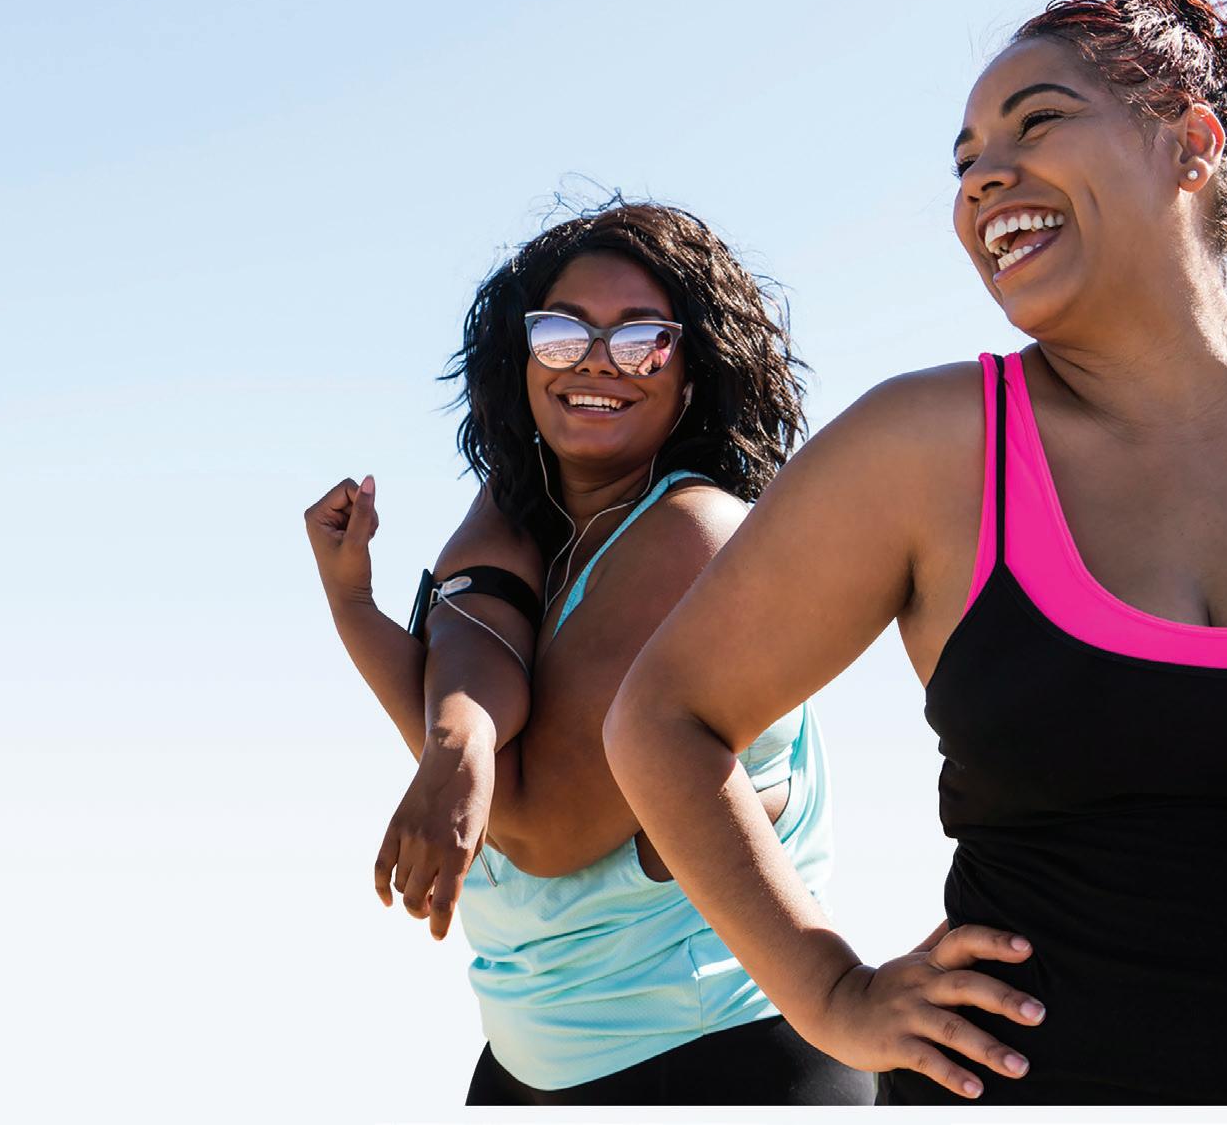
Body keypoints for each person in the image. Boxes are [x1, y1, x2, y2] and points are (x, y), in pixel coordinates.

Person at [602, 0, 1227, 1105]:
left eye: (1037, 121)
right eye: (965, 159)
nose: (983, 177)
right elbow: (660, 718)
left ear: (1189, 144)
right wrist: (829, 993)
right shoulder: (922, 449)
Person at [304, 201, 873, 1106]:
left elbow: (538, 828)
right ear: (523, 358)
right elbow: (470, 668)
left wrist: (446, 732)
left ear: (693, 370)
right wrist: (387, 648)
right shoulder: (524, 515)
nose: (597, 360)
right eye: (562, 333)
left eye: (642, 338)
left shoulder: (694, 536)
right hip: (529, 1061)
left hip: (716, 1057)